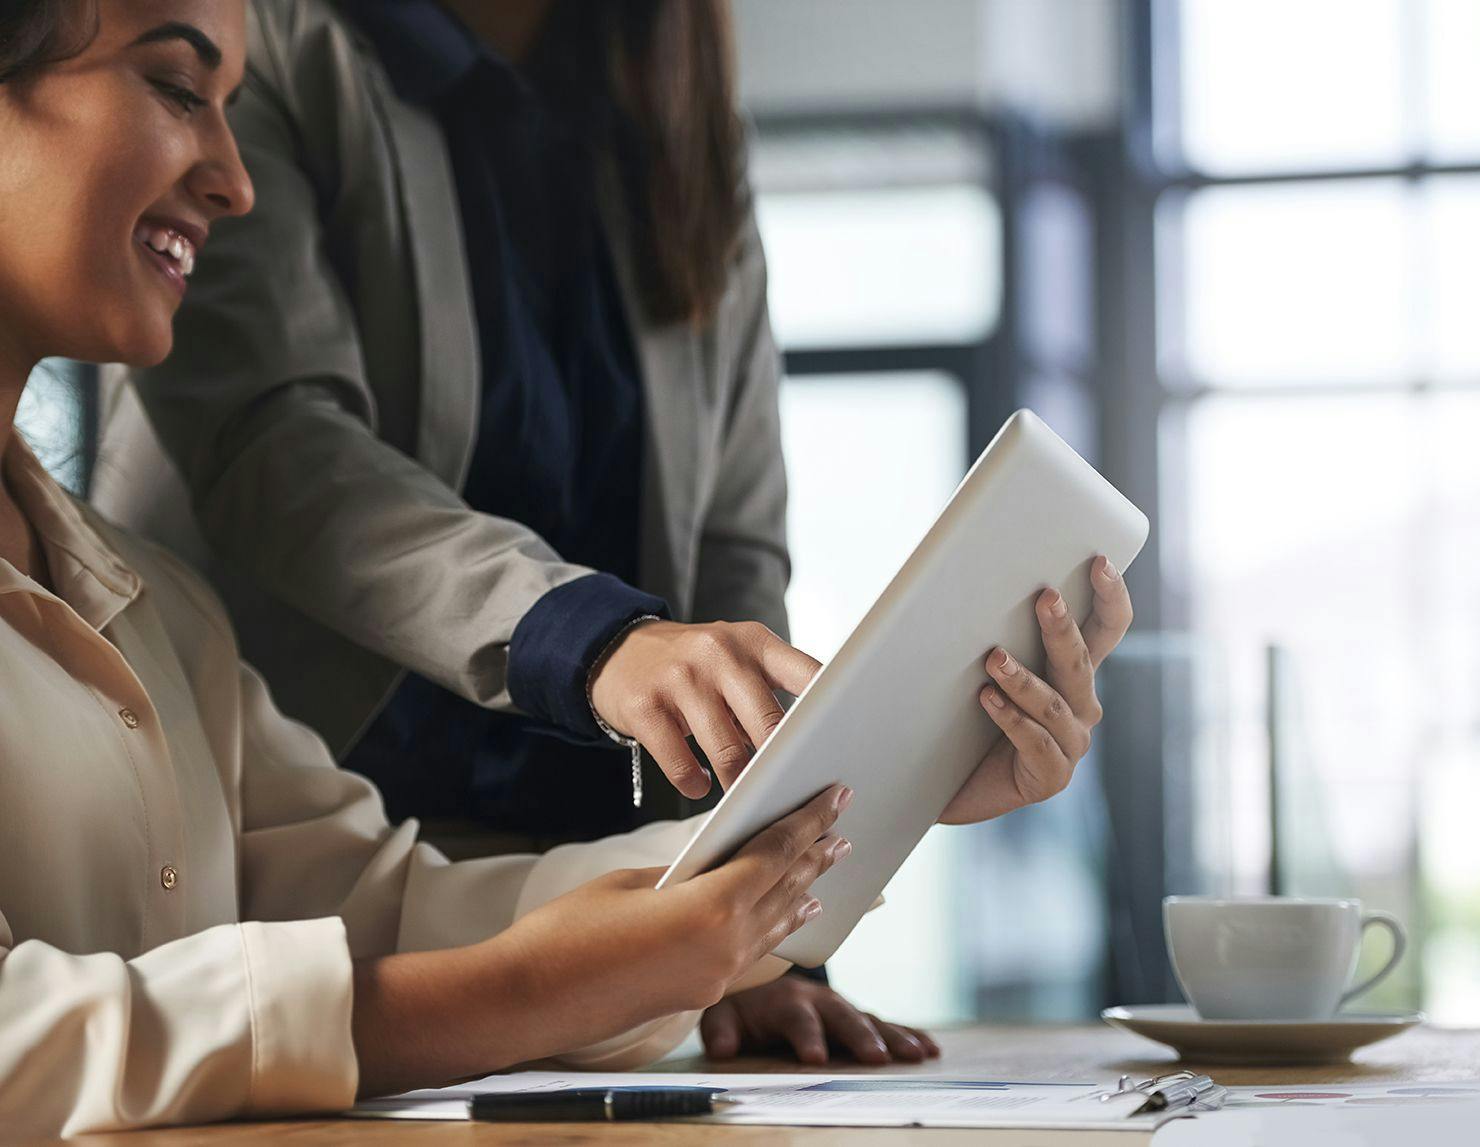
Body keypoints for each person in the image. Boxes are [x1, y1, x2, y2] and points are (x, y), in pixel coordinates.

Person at [94, 0, 1137, 1066]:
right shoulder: (263, 42)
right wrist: (588, 638)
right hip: (311, 872)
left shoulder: (670, 108)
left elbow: (736, 549)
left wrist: (770, 930)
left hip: (586, 899)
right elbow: (276, 447)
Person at [0, 0, 860, 1135]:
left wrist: (867, 779)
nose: (235, 181)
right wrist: (529, 979)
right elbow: (279, 442)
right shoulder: (312, 42)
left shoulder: (163, 619)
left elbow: (381, 909)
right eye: (174, 88)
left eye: (228, 109)